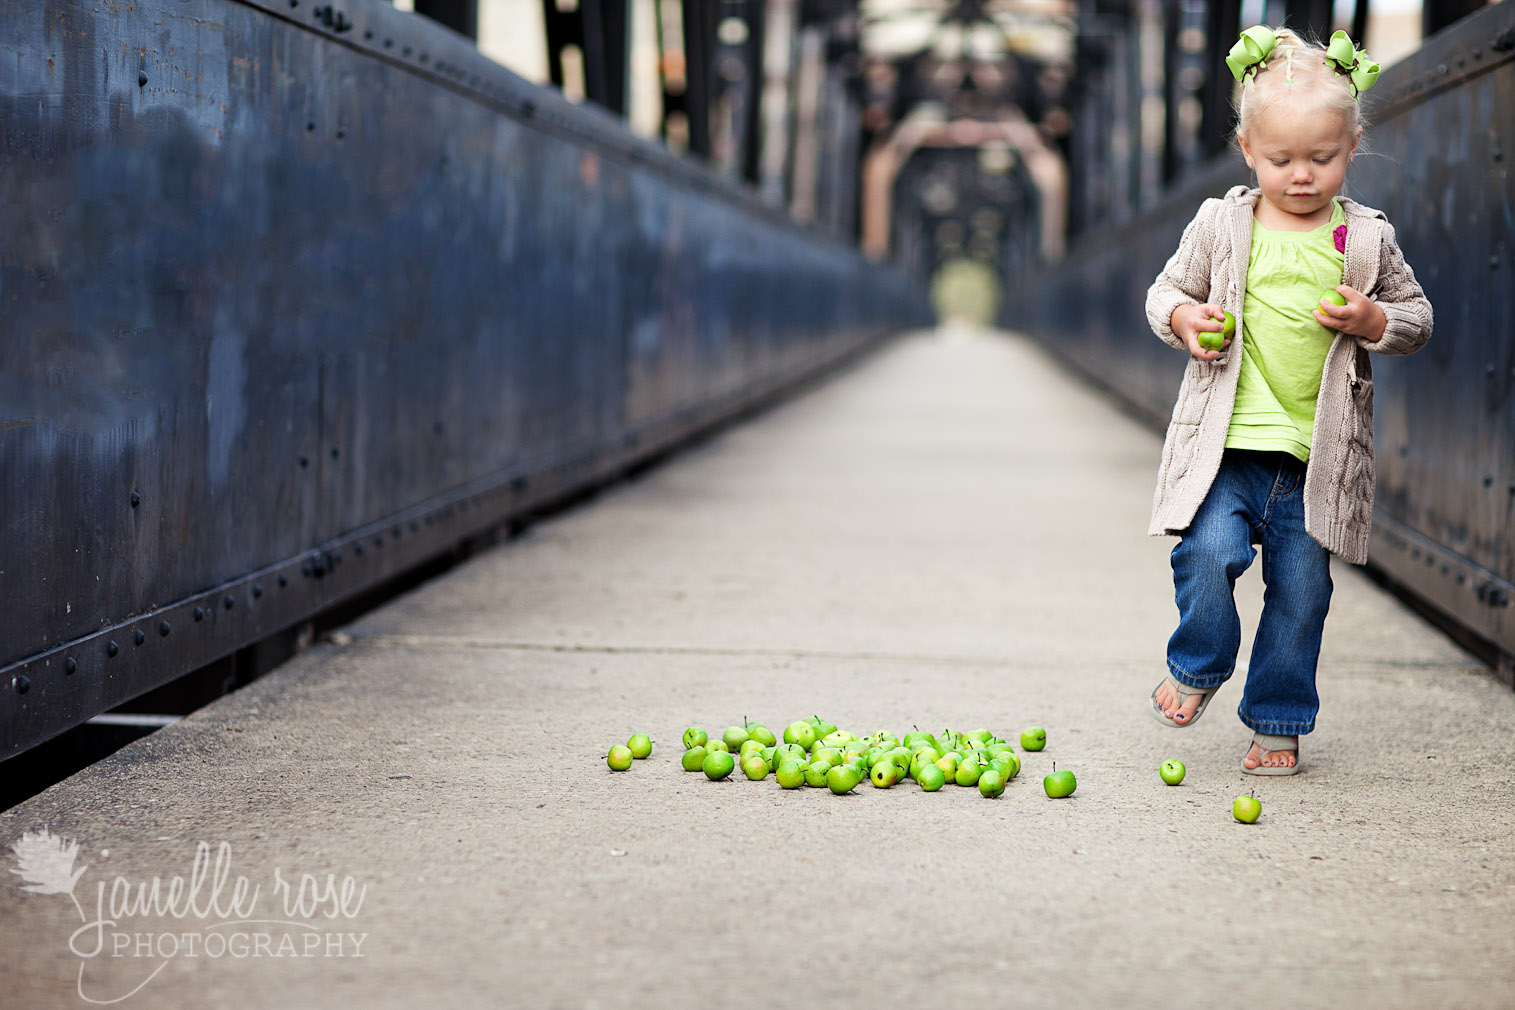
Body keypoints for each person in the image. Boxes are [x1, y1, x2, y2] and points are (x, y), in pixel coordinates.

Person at [1143, 26, 1433, 774]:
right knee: (1205, 555)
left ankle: (1276, 716)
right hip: (1228, 446)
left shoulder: (1364, 239)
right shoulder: (1222, 224)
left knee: (1300, 597)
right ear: (1246, 150)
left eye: (1321, 157)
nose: (1300, 176)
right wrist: (1185, 319)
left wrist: (1374, 321)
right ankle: (1198, 661)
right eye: (1280, 160)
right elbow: (1165, 292)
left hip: (1316, 458)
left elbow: (1415, 317)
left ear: (1352, 144)